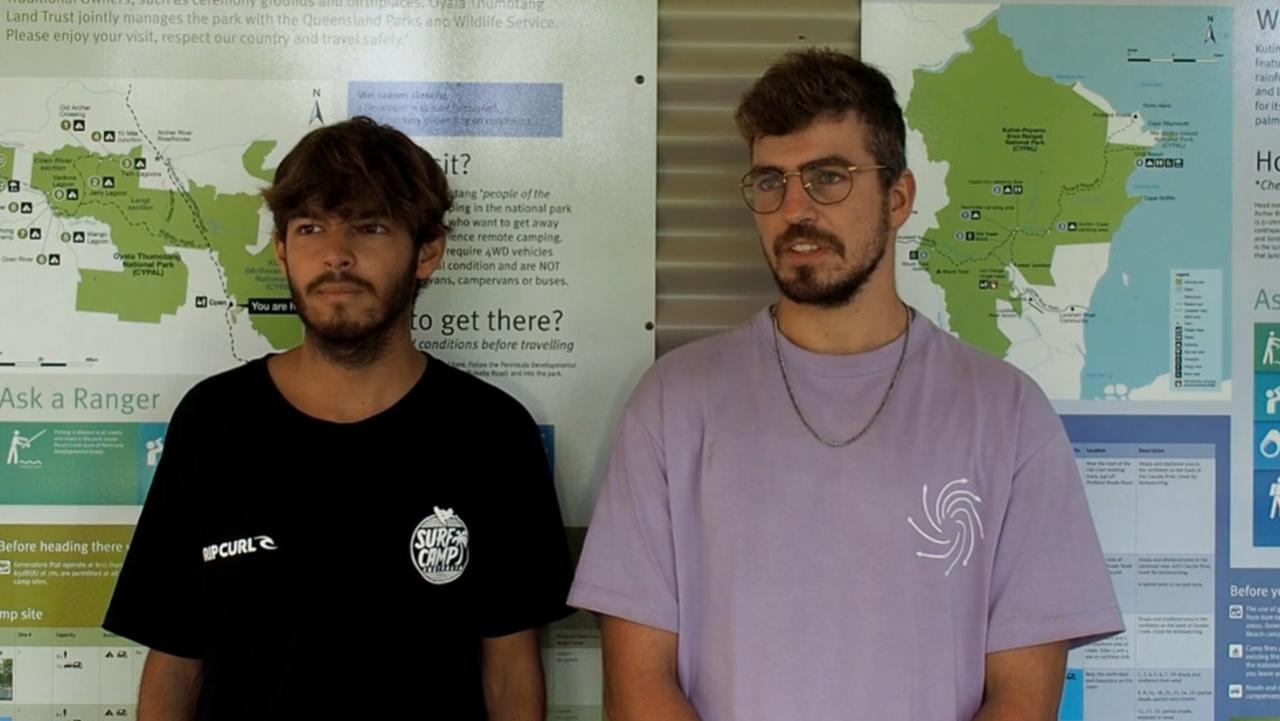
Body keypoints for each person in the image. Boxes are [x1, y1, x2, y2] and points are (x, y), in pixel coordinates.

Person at [568, 50, 1123, 721]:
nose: (794, 208)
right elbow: (637, 685)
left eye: (828, 177)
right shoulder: (672, 404)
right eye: (770, 182)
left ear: (899, 198)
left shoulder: (1007, 413)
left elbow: (1024, 695)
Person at [104, 116, 573, 720]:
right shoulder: (212, 422)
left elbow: (510, 675)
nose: (335, 255)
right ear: (281, 250)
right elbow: (174, 666)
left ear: (427, 252)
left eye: (369, 227)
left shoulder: (491, 433)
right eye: (310, 228)